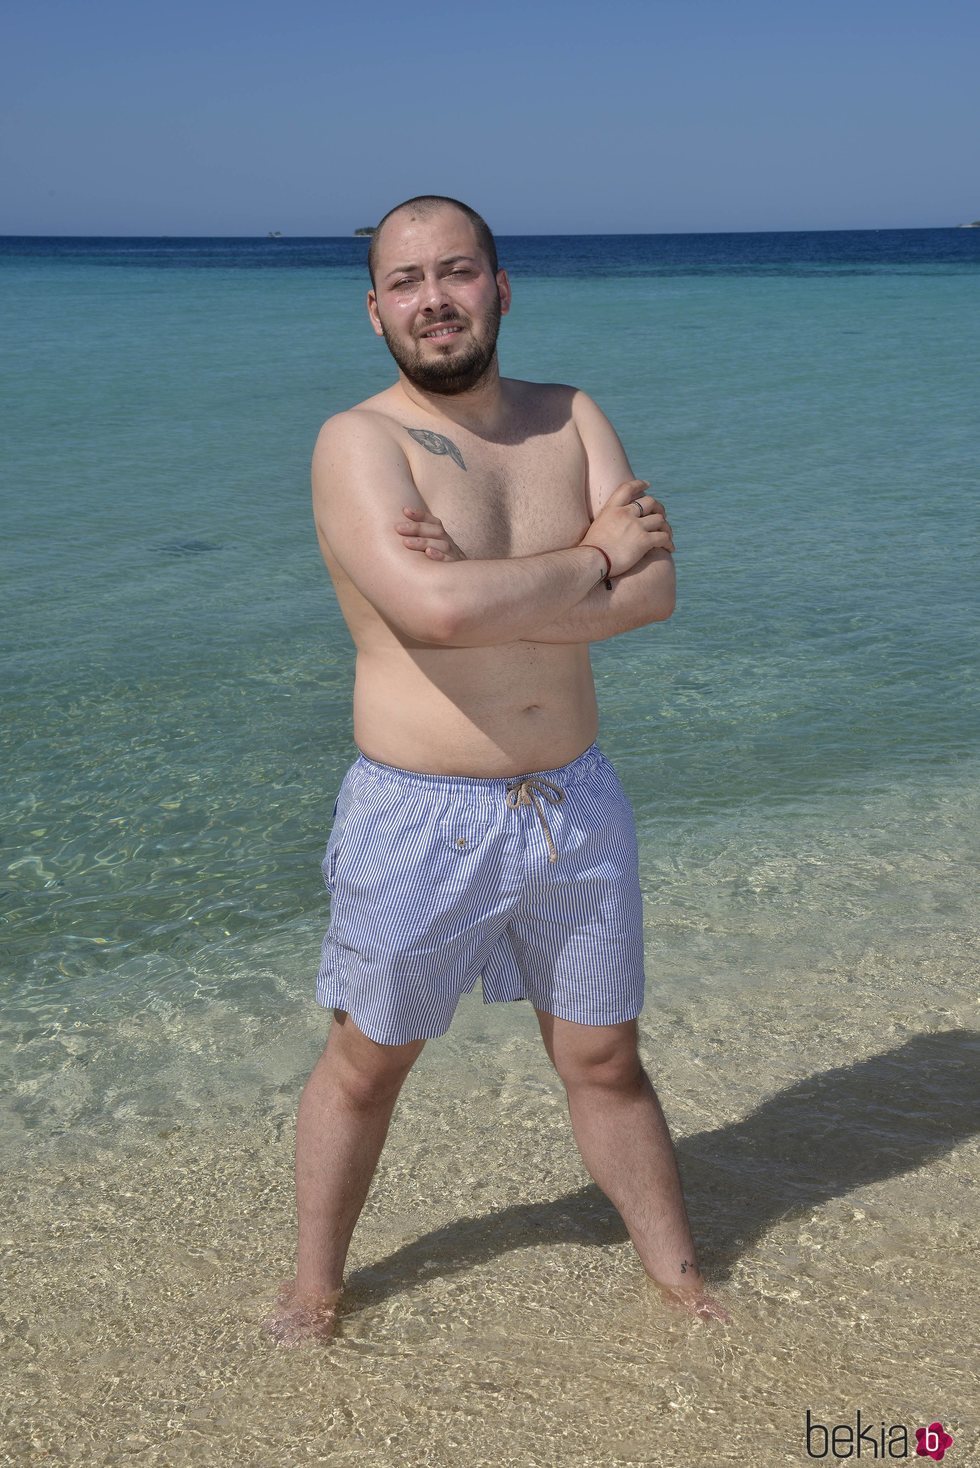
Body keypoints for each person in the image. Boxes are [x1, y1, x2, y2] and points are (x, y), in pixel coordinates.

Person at [263, 195, 729, 1345]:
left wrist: (510, 588)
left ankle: (678, 1280)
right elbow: (430, 613)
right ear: (374, 313)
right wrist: (588, 560)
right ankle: (313, 1291)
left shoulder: (570, 418)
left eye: (456, 272)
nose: (435, 300)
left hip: (574, 800)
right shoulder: (356, 444)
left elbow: (656, 591)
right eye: (407, 282)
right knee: (368, 1063)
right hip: (420, 813)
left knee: (604, 1055)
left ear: (499, 286)